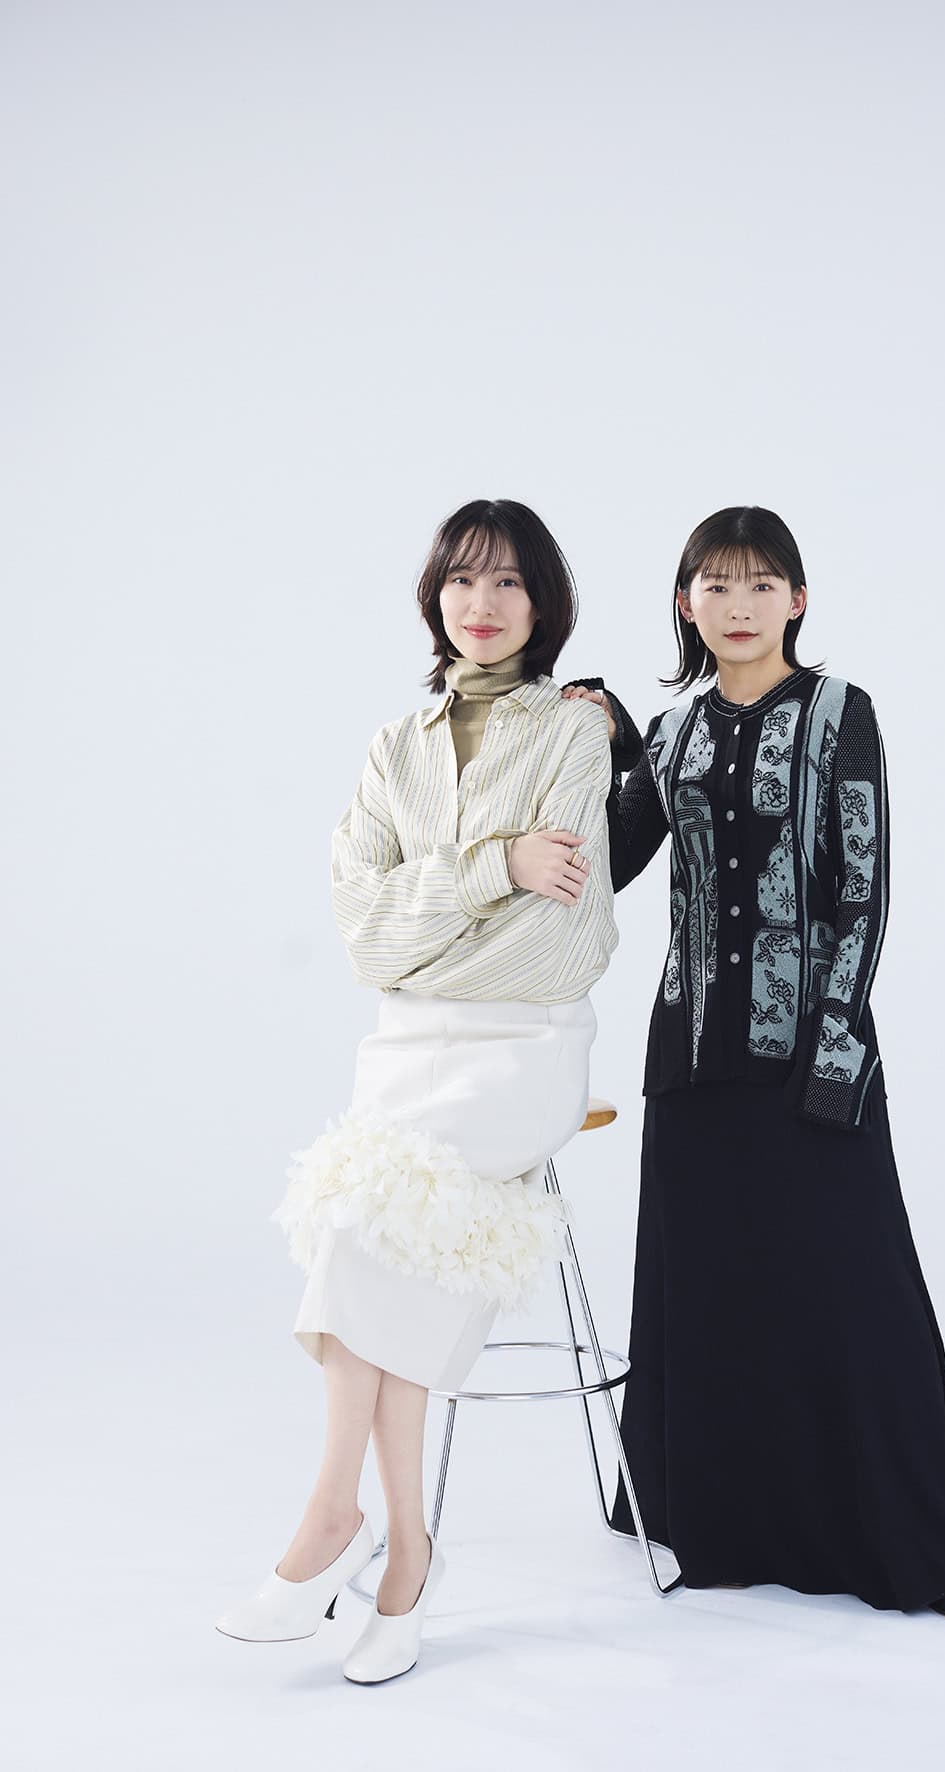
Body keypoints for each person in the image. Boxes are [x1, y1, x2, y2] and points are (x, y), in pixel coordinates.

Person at [217, 499, 639, 1682]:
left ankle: (330, 1520)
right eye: (462, 579)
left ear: (544, 604)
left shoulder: (573, 729)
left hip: (523, 1049)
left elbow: (559, 941)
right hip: (404, 1049)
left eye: (509, 582)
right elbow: (362, 933)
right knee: (386, 1238)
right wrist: (496, 865)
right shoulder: (392, 747)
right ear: (433, 596)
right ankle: (403, 1557)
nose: (483, 603)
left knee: (362, 1219)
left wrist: (430, 918)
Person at [563, 506, 945, 1616]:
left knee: (853, 1291)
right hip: (691, 1054)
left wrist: (837, 1051)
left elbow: (863, 888)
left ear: (798, 600)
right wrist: (609, 745)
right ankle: (717, 1520)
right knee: (709, 1293)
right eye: (716, 584)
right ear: (685, 603)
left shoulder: (843, 712)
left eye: (761, 584)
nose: (739, 605)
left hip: (812, 1052)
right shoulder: (674, 732)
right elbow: (611, 862)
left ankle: (899, 1541)